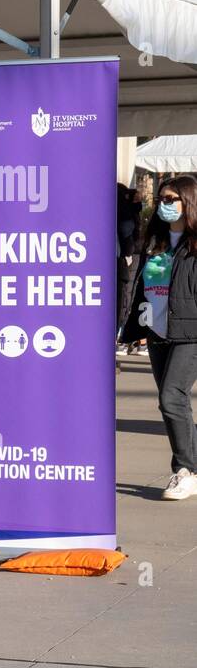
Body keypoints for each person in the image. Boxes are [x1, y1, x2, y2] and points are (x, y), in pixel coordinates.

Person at [121, 175, 197, 500]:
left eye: (170, 199)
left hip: (190, 331)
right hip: (156, 328)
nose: (164, 205)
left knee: (171, 397)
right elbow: (143, 287)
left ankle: (185, 470)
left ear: (188, 202)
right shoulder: (157, 241)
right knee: (172, 403)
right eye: (163, 199)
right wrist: (137, 328)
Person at [116, 182, 144, 354]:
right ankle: (122, 336)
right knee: (125, 295)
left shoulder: (123, 208)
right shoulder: (126, 209)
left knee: (125, 295)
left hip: (127, 255)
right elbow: (127, 230)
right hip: (127, 256)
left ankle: (123, 337)